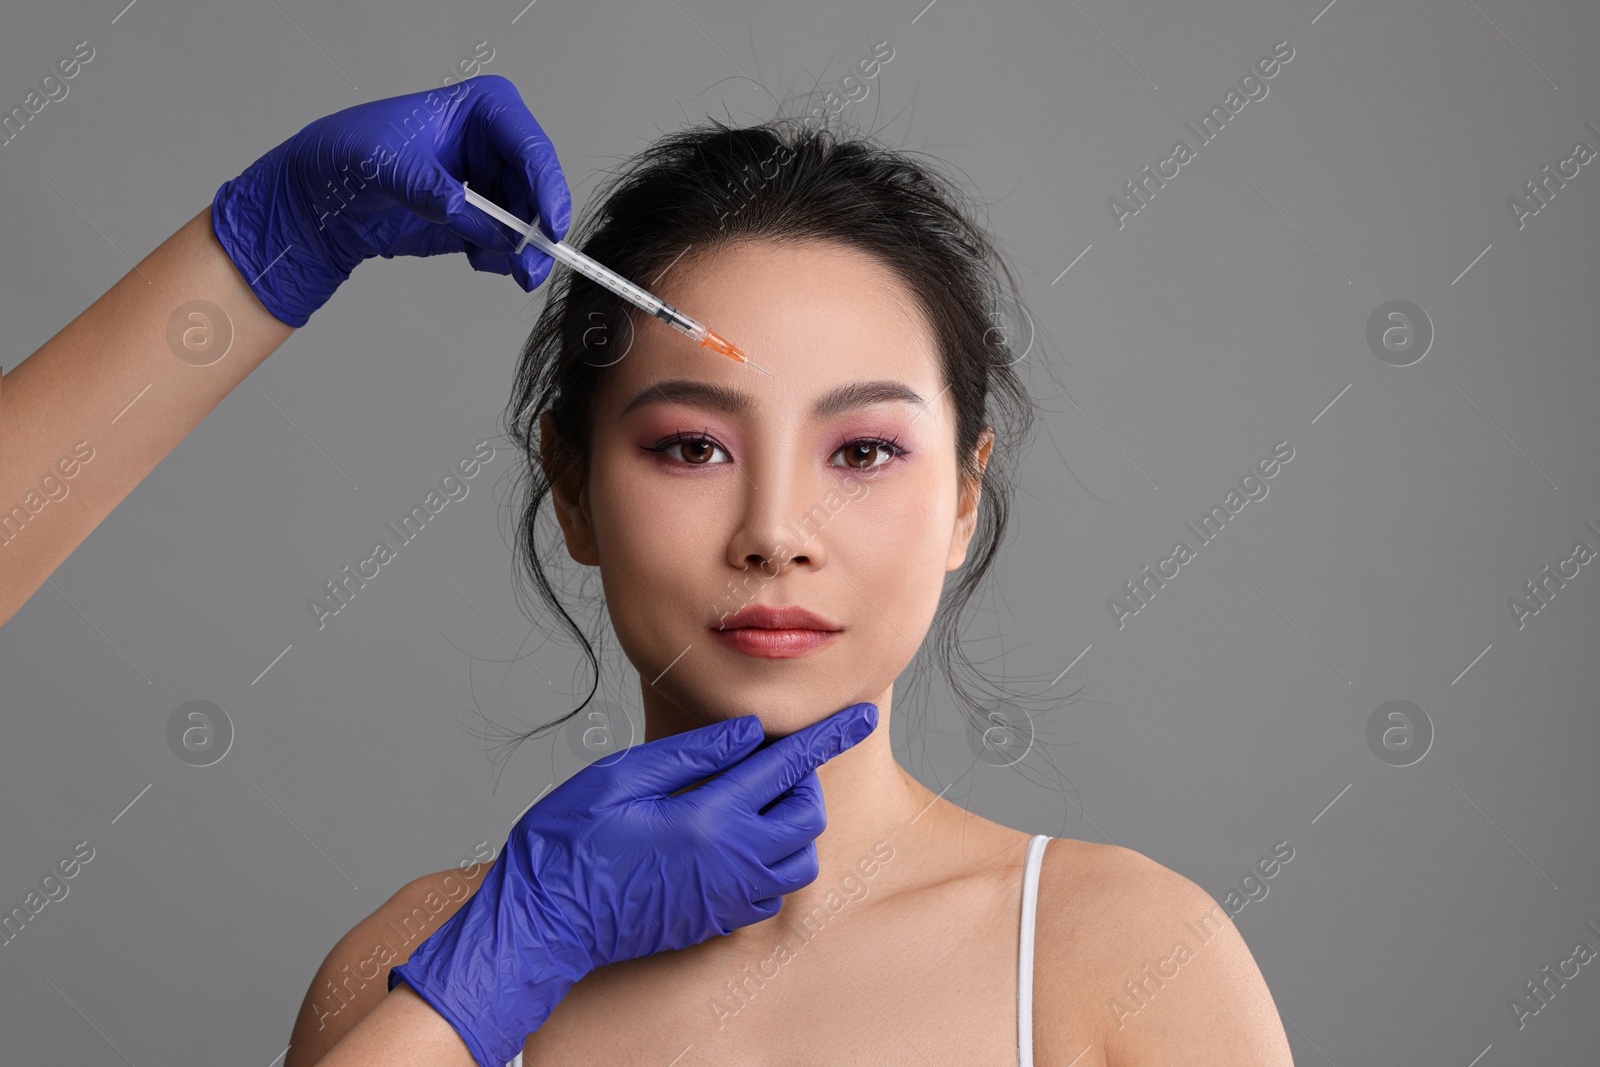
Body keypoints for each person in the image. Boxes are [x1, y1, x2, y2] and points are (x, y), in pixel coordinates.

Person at [1, 76, 1294, 1065]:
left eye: (864, 450)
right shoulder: (418, 965)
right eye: (689, 444)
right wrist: (483, 984)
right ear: (571, 488)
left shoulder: (1118, 961)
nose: (777, 530)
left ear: (964, 498)